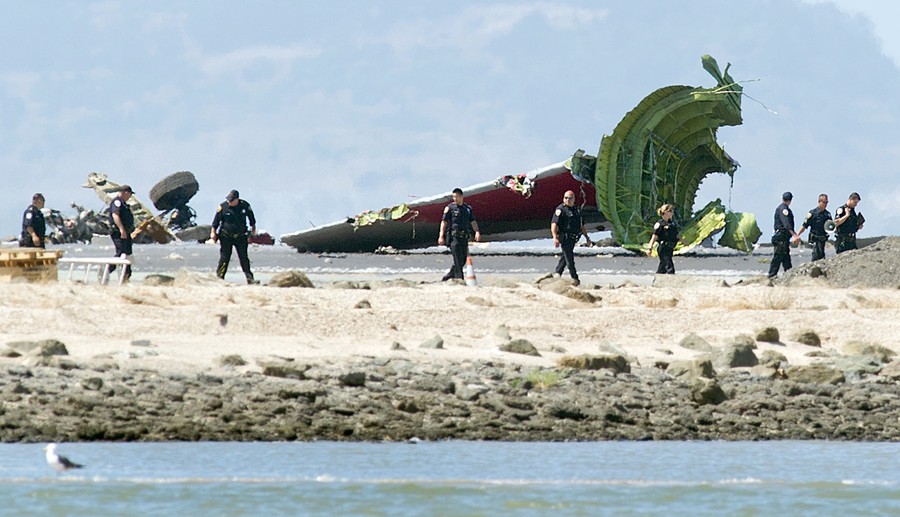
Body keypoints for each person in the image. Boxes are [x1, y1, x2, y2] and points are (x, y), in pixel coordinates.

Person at [211, 189, 258, 284]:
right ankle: (220, 278)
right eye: (228, 200)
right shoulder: (223, 207)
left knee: (244, 258)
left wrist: (253, 231)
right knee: (224, 258)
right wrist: (213, 233)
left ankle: (250, 279)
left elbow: (252, 219)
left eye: (231, 200)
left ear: (237, 199)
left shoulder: (244, 205)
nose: (229, 202)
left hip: (240, 237)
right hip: (226, 236)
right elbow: (215, 222)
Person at [437, 188, 481, 281]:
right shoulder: (450, 208)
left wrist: (477, 231)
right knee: (457, 260)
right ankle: (460, 279)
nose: (455, 199)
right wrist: (441, 236)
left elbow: (473, 221)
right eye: (453, 197)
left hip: (464, 238)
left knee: (463, 260)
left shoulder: (467, 209)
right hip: (454, 237)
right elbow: (443, 222)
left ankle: (449, 276)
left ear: (461, 196)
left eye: (456, 196)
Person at [551, 190, 592, 285]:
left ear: (574, 199)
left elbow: (581, 225)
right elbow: (554, 224)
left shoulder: (577, 210)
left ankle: (558, 272)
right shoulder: (560, 210)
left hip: (573, 238)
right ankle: (575, 279)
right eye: (565, 198)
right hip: (565, 237)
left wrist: (587, 237)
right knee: (570, 259)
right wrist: (555, 237)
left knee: (565, 257)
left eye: (570, 198)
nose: (567, 200)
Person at [768, 191, 800, 278]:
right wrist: (794, 234)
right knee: (778, 256)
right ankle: (772, 275)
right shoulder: (784, 209)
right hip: (781, 237)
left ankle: (789, 274)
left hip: (783, 238)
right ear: (790, 200)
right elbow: (786, 224)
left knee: (785, 257)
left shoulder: (782, 208)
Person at [108, 185, 136, 281]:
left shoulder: (124, 203)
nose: (130, 197)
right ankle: (107, 271)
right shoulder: (117, 202)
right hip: (118, 232)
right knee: (120, 253)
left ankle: (126, 277)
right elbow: (115, 215)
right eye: (130, 194)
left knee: (128, 254)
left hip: (126, 233)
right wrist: (121, 229)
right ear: (125, 192)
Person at [796, 193, 831, 261]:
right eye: (824, 202)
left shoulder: (827, 214)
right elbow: (804, 225)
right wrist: (797, 235)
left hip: (822, 239)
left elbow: (831, 226)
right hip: (814, 239)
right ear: (819, 202)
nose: (825, 204)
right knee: (815, 256)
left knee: (821, 256)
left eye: (827, 202)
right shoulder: (812, 213)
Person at [646, 203, 679, 274]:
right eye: (670, 211)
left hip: (670, 247)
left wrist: (685, 241)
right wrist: (649, 248)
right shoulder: (660, 224)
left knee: (663, 266)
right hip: (663, 247)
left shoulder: (672, 224)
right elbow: (654, 237)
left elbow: (676, 235)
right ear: (665, 212)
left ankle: (657, 279)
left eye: (672, 211)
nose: (672, 213)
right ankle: (672, 280)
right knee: (669, 266)